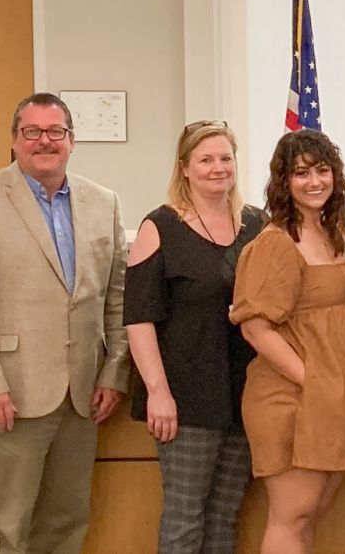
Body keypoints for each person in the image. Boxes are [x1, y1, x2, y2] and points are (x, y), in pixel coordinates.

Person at [0, 92, 130, 554]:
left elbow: (119, 298)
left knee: (66, 521)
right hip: (11, 394)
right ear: (14, 139)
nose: (44, 141)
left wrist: (113, 372)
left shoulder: (102, 202)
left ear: (71, 140)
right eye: (32, 132)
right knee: (6, 526)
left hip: (83, 397)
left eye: (55, 132)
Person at [125, 120, 265, 554]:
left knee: (225, 517)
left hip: (245, 394)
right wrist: (157, 393)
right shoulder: (160, 226)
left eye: (226, 158)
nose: (217, 168)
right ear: (185, 168)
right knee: (185, 519)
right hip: (184, 398)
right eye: (205, 160)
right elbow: (138, 319)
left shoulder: (257, 225)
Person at [230, 129, 345, 554]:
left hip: (332, 397)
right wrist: (312, 380)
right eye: (301, 173)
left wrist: (333, 390)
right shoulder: (275, 243)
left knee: (314, 513)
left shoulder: (334, 234)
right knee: (292, 515)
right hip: (290, 397)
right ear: (283, 182)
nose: (314, 182)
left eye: (322, 171)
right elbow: (255, 327)